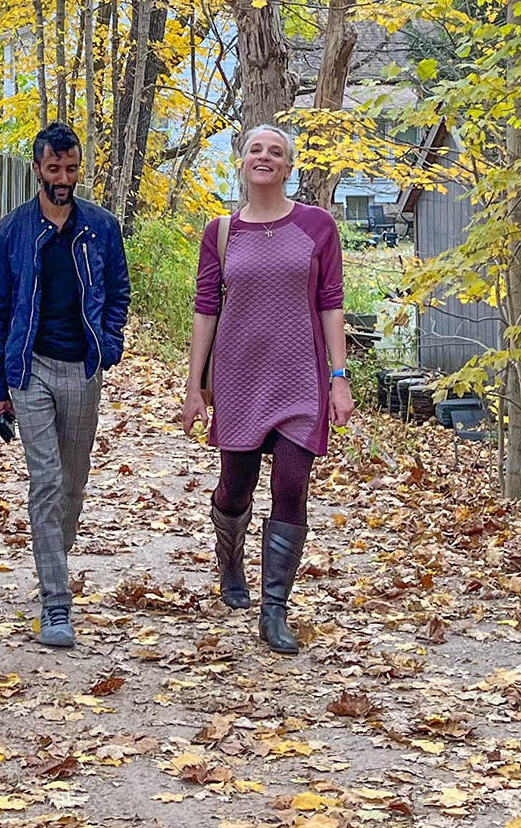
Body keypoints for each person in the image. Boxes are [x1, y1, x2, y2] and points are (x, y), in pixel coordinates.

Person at [181, 125, 352, 654]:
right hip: (239, 376)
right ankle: (230, 561)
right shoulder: (221, 232)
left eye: (275, 152)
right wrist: (194, 386)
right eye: (256, 149)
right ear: (242, 162)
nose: (265, 157)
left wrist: (339, 378)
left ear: (288, 166)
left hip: (300, 377)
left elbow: (331, 301)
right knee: (236, 487)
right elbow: (206, 309)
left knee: (292, 486)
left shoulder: (317, 226)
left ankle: (273, 609)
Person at [0, 122, 130, 647]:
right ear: (38, 168)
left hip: (83, 368)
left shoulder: (103, 227)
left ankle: (53, 559)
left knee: (72, 482)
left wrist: (108, 345)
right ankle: (56, 601)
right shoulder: (10, 232)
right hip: (31, 367)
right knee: (44, 480)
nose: (63, 178)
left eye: (71, 168)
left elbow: (118, 292)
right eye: (53, 169)